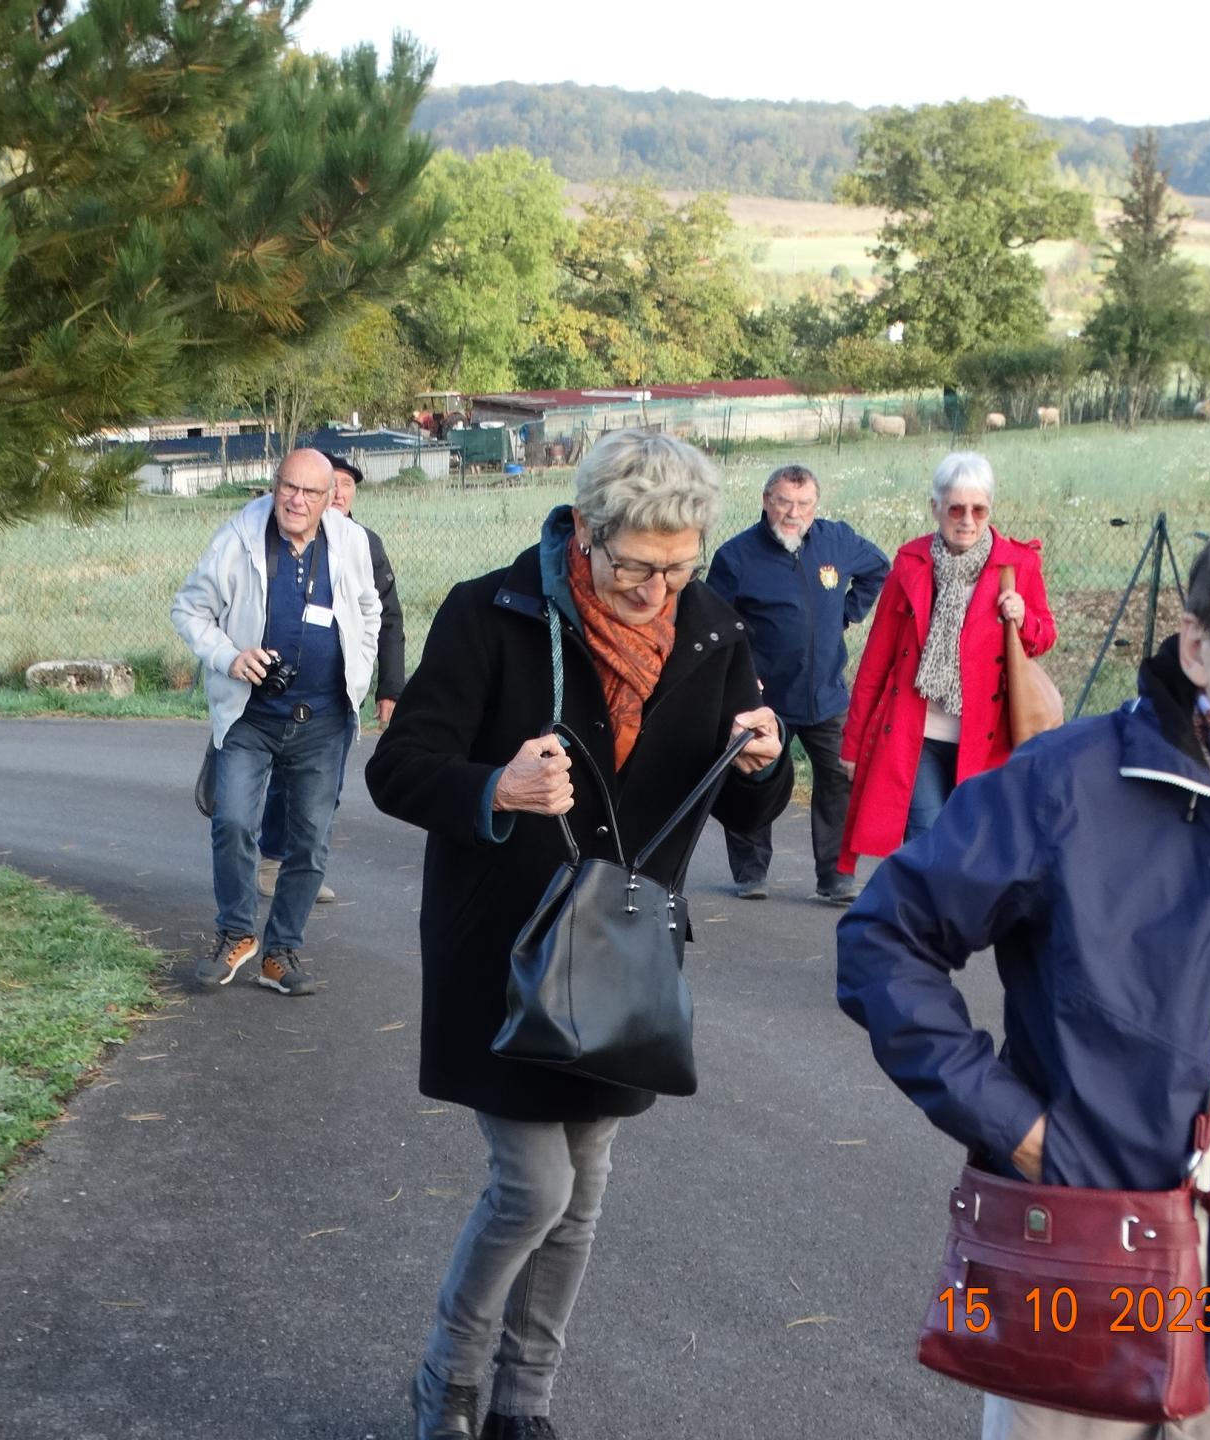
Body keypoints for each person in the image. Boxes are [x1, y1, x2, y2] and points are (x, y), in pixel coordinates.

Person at [836, 500, 1210, 1440]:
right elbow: (884, 940)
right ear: (1197, 646)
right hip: (1082, 1274)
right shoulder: (1068, 785)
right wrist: (1021, 1129)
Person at [365, 428, 789, 1440]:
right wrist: (494, 786)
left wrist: (763, 763)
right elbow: (399, 768)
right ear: (586, 533)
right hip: (505, 959)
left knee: (585, 1192)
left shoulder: (712, 630)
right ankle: (449, 1384)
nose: (658, 588)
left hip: (623, 961)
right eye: (637, 565)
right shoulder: (492, 614)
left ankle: (526, 1403)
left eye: (679, 565)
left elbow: (750, 814)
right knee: (535, 1185)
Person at [171, 449, 380, 997]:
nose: (296, 500)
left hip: (325, 720)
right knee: (234, 821)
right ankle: (236, 934)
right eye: (288, 487)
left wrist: (358, 672)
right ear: (274, 485)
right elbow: (188, 609)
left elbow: (370, 609)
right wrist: (229, 656)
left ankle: (281, 951)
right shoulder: (237, 538)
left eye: (310, 492)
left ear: (329, 497)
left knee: (309, 844)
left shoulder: (351, 542)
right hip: (251, 717)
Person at [837, 451, 1054, 873]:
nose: (968, 519)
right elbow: (876, 662)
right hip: (915, 735)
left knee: (970, 844)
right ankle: (929, 933)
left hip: (986, 740)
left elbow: (1044, 637)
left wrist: (1023, 616)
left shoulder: (1018, 565)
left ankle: (947, 928)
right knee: (928, 839)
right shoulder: (910, 563)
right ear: (936, 508)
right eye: (956, 508)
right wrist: (852, 744)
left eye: (979, 509)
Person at [706, 462, 888, 904]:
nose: (793, 512)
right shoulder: (736, 557)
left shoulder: (837, 541)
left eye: (804, 504)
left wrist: (848, 613)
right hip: (764, 697)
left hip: (825, 692)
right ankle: (751, 873)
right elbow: (713, 621)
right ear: (767, 500)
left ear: (815, 505)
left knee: (840, 779)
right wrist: (741, 675)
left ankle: (836, 877)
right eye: (785, 502)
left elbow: (879, 568)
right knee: (754, 778)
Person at [255, 454, 406, 903]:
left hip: (338, 693)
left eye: (347, 485)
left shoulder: (364, 544)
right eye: (332, 484)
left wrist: (389, 688)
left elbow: (388, 618)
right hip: (275, 692)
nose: (340, 493)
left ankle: (304, 867)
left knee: (326, 786)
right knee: (286, 778)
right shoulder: (270, 535)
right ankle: (273, 858)